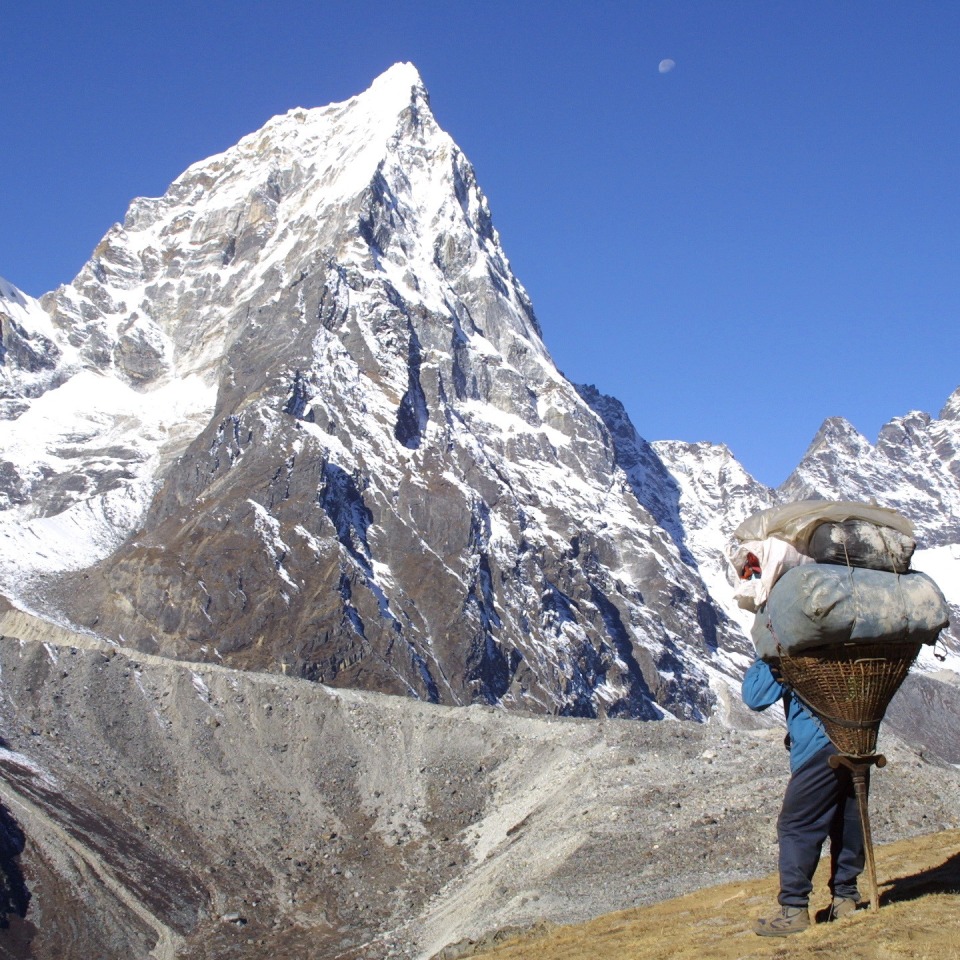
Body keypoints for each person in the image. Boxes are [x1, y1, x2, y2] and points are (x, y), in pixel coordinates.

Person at [742, 657, 865, 936]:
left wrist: (765, 657)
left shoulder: (793, 645)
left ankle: (794, 911)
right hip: (859, 740)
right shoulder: (851, 641)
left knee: (797, 826)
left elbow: (755, 696)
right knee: (846, 822)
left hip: (818, 747)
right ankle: (845, 901)